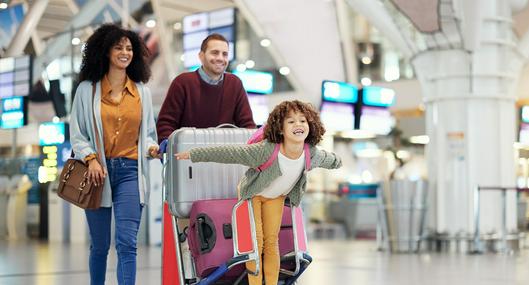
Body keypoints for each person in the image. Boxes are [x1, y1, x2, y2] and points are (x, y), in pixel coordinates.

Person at [174, 100, 342, 285]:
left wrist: (338, 162)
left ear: (311, 125)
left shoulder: (311, 153)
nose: (298, 125)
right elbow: (230, 153)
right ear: (280, 129)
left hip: (275, 197)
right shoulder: (266, 150)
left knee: (271, 242)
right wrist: (194, 154)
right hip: (253, 194)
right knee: (256, 243)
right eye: (291, 121)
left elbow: (330, 159)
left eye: (303, 120)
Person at [69, 24, 159, 285]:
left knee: (127, 243)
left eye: (129, 48)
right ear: (105, 51)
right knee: (99, 246)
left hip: (130, 173)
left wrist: (152, 149)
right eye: (118, 47)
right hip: (97, 174)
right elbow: (77, 133)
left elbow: (148, 134)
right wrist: (91, 158)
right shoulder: (87, 90)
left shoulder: (142, 91)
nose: (125, 52)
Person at [156, 33, 256, 143]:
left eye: (225, 54)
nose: (220, 58)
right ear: (201, 56)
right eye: (214, 53)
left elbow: (247, 125)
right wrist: (167, 144)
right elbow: (166, 123)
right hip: (187, 154)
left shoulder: (235, 84)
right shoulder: (182, 83)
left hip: (225, 155)